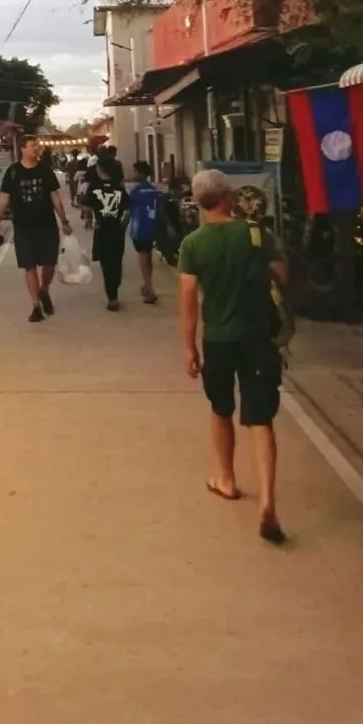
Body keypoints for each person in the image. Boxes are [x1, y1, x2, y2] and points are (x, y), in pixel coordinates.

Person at [179, 168, 288, 544]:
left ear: (199, 203)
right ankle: (268, 501)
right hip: (257, 339)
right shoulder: (256, 234)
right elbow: (282, 276)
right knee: (261, 419)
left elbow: (188, 300)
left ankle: (226, 478)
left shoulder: (192, 244)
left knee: (221, 408)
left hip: (218, 340)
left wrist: (189, 347)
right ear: (229, 197)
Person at [0, 134, 72, 322]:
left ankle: (44, 289)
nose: (36, 148)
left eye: (37, 145)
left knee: (49, 264)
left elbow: (54, 196)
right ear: (23, 148)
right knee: (29, 266)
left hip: (47, 225)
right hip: (24, 227)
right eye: (32, 145)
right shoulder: (13, 172)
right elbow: (4, 199)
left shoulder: (45, 170)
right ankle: (36, 306)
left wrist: (64, 220)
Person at [81, 153, 130, 310]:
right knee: (116, 261)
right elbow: (128, 209)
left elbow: (85, 205)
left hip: (101, 230)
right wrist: (123, 225)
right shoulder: (119, 187)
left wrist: (91, 218)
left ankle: (112, 296)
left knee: (106, 264)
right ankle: (114, 289)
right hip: (117, 231)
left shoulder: (93, 187)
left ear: (100, 168)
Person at [128, 161, 162, 305]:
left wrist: (122, 226)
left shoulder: (135, 192)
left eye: (134, 171)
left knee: (142, 259)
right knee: (148, 257)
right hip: (152, 227)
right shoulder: (155, 190)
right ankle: (148, 284)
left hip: (139, 228)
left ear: (140, 173)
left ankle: (150, 289)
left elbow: (129, 211)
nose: (132, 173)